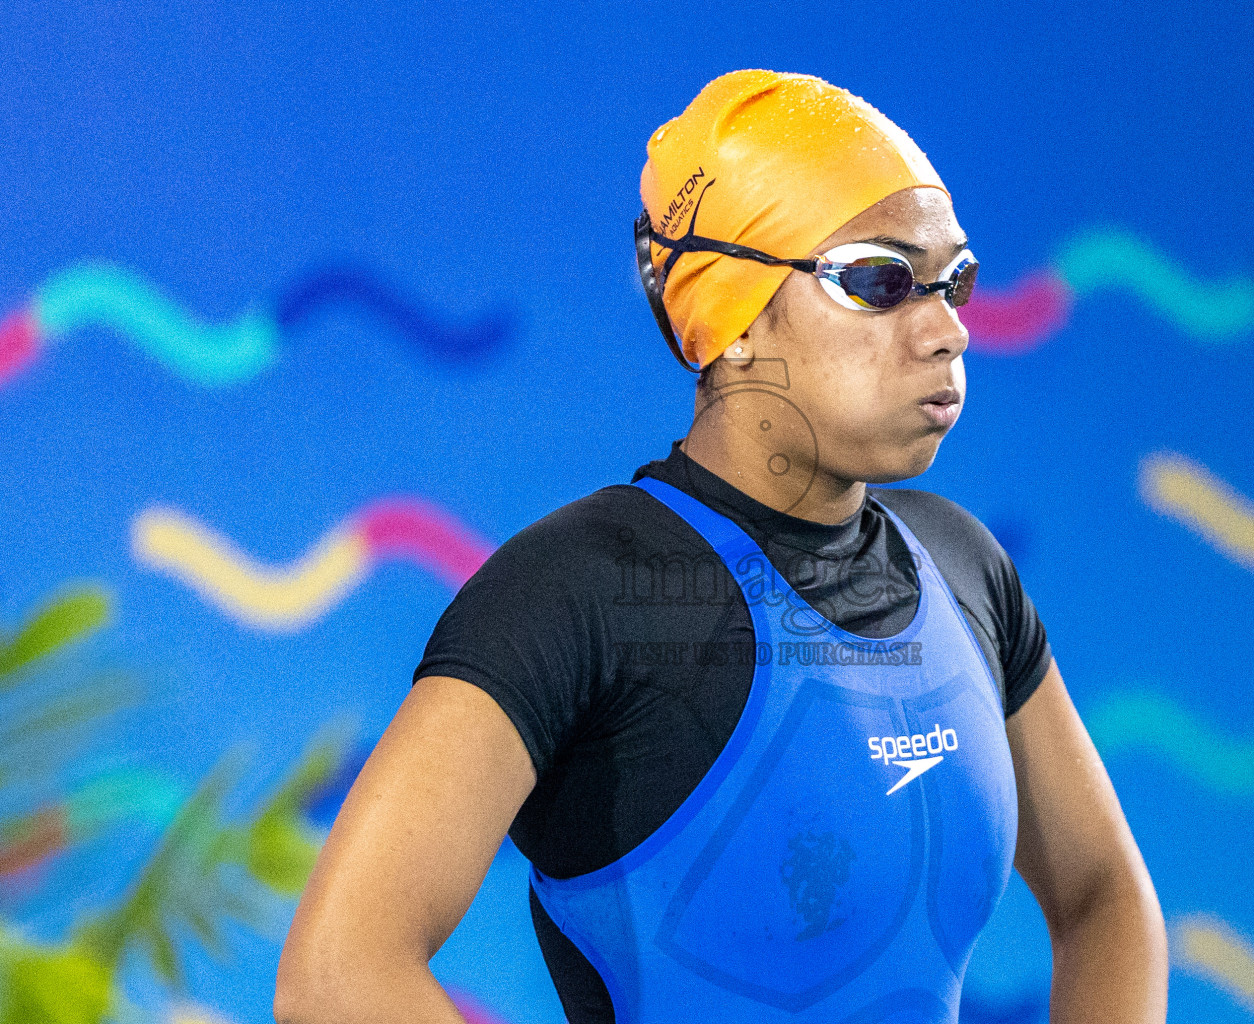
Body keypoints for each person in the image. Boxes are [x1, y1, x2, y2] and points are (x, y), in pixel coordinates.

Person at [275, 69, 1167, 1024]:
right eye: (879, 281)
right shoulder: (581, 592)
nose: (947, 329)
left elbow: (1103, 896)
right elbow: (337, 977)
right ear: (730, 316)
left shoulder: (962, 568)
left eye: (955, 281)